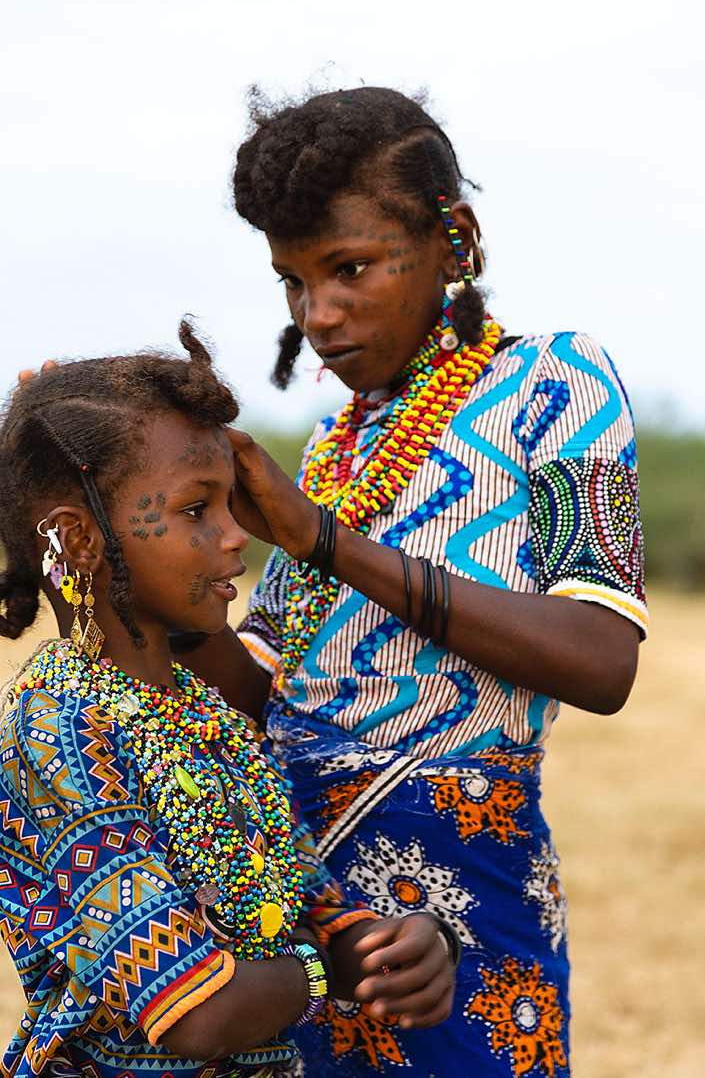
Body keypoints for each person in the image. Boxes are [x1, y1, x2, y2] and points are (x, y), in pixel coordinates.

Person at [178, 87, 648, 1076]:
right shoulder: (333, 448)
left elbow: (600, 659)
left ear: (454, 241)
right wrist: (125, 545)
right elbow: (261, 680)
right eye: (293, 283)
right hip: (299, 913)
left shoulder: (555, 384)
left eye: (348, 269)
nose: (319, 314)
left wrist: (321, 539)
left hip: (463, 898)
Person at [0, 324, 456, 1078]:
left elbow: (304, 899)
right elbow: (194, 1010)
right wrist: (327, 974)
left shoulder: (209, 715)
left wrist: (396, 946)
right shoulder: (60, 726)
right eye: (195, 510)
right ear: (79, 540)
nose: (236, 535)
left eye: (228, 504)